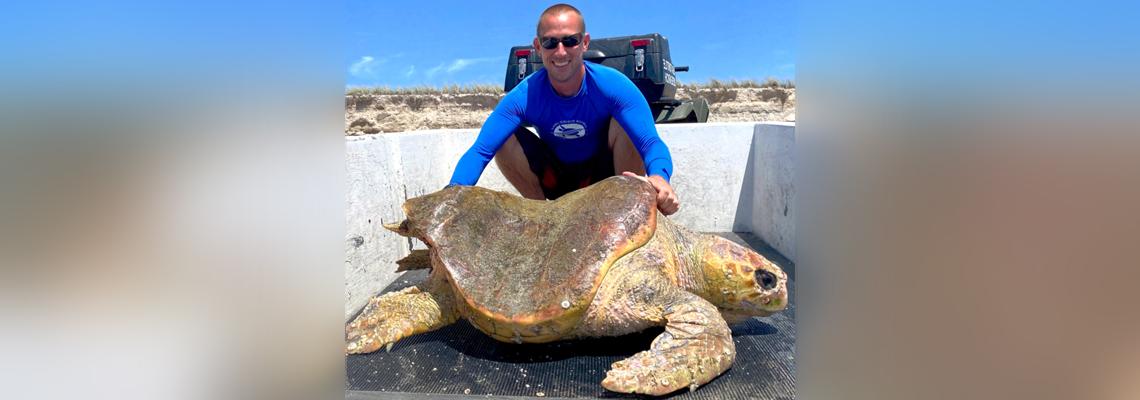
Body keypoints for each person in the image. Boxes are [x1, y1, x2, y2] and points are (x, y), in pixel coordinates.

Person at [447, 3, 680, 215]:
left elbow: (650, 143)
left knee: (624, 125)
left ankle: (627, 213)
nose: (560, 52)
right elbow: (481, 150)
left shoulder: (614, 86)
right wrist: (451, 196)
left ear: (585, 43)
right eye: (550, 42)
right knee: (504, 138)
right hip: (555, 181)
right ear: (538, 47)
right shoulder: (524, 96)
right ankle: (539, 218)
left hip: (605, 180)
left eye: (570, 41)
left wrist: (660, 177)